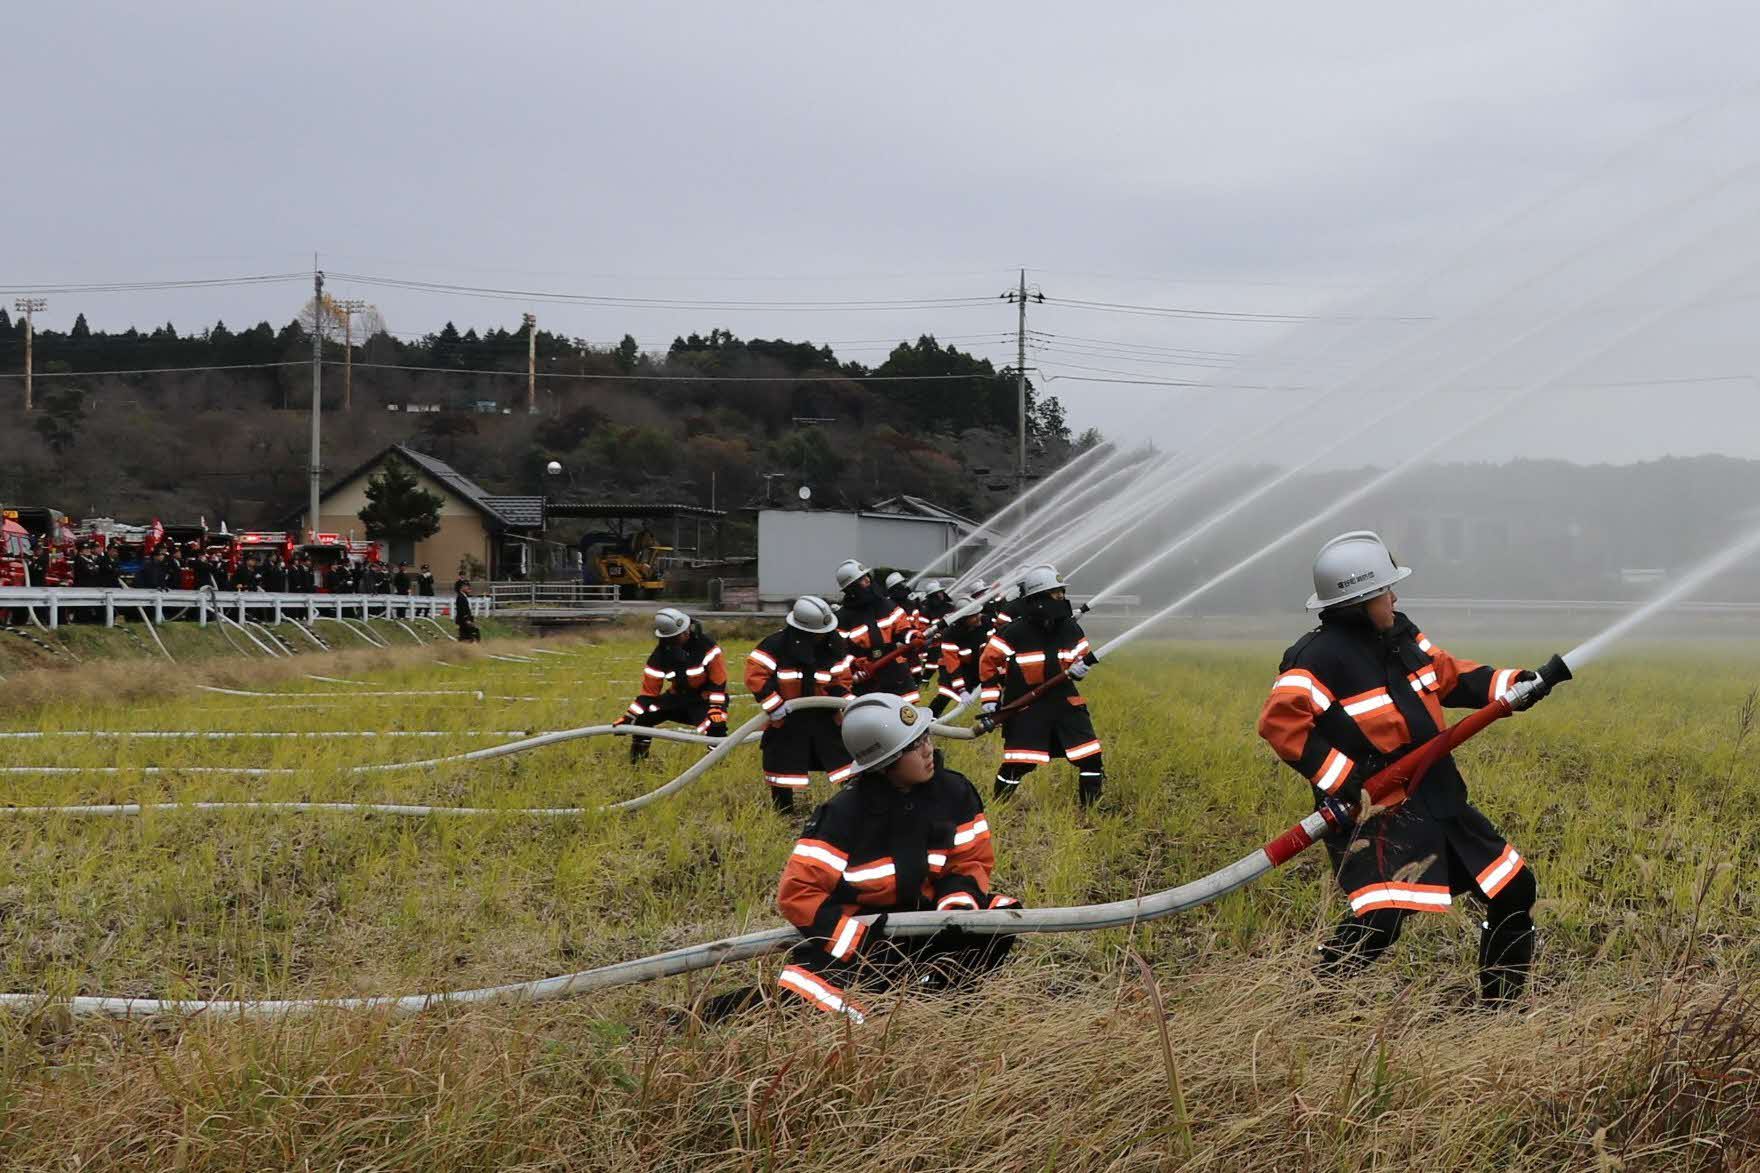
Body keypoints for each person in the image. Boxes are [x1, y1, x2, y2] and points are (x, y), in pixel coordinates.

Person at [1256, 531, 1558, 1005]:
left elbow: (1444, 675)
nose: (1394, 597)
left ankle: (1500, 1011)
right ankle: (1311, 1001)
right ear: (1358, 602)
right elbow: (1281, 723)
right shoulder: (1315, 658)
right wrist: (1345, 781)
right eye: (1384, 592)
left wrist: (1512, 684)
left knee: (1513, 887)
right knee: (1381, 920)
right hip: (1379, 811)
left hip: (1437, 795)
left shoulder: (1399, 633)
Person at [770, 692, 1020, 1023]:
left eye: (925, 736)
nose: (928, 750)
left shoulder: (954, 793)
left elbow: (969, 861)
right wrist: (862, 946)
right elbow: (798, 893)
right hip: (870, 936)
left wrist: (956, 912)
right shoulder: (843, 815)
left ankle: (941, 993)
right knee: (831, 1001)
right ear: (885, 763)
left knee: (999, 919)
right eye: (913, 747)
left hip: (929, 921)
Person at [978, 564, 1106, 807]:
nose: (1062, 597)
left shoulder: (1070, 627)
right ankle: (998, 807)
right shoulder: (1014, 632)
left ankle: (1092, 809)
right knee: (1019, 763)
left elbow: (1079, 658)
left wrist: (1080, 669)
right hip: (1027, 707)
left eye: (1061, 591)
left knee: (1090, 756)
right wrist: (990, 701)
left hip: (1065, 703)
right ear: (1038, 597)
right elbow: (988, 664)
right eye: (1056, 592)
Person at [744, 595, 856, 814]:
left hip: (824, 716)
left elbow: (840, 680)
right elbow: (755, 675)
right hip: (787, 719)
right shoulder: (775, 645)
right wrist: (774, 706)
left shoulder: (833, 647)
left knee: (845, 763)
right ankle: (784, 813)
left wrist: (847, 703)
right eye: (818, 634)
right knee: (782, 767)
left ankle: (851, 809)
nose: (823, 637)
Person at [615, 607, 730, 764]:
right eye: (681, 634)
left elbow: (719, 681)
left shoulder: (706, 646)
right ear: (670, 637)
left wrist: (715, 707)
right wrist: (629, 717)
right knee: (643, 719)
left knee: (716, 725)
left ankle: (716, 765)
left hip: (706, 698)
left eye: (686, 630)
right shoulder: (659, 657)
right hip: (678, 697)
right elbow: (649, 693)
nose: (687, 634)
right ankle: (638, 764)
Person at [832, 559, 918, 702]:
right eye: (861, 579)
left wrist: (912, 636)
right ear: (851, 588)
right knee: (874, 715)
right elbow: (839, 651)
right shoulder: (843, 618)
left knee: (907, 714)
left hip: (895, 671)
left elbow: (902, 628)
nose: (867, 581)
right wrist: (855, 665)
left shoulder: (886, 605)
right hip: (867, 679)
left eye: (866, 576)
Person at [932, 593, 987, 718]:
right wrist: (961, 689)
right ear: (963, 619)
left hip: (974, 664)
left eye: (978, 613)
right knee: (946, 693)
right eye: (973, 616)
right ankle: (931, 719)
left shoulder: (984, 623)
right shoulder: (951, 635)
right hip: (951, 667)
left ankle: (996, 716)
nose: (978, 617)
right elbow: (953, 665)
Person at [453, 577, 480, 642]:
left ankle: (466, 648)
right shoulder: (461, 597)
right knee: (471, 636)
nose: (469, 587)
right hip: (464, 621)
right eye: (466, 586)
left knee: (466, 636)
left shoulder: (463, 596)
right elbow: (462, 610)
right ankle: (471, 649)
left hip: (464, 620)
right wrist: (467, 620)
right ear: (461, 588)